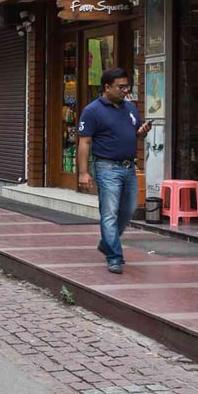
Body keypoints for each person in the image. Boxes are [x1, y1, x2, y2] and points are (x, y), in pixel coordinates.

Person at [77, 67, 152, 275]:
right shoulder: (92, 111)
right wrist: (83, 173)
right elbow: (84, 142)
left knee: (127, 211)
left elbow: (136, 133)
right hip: (106, 167)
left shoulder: (130, 108)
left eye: (127, 86)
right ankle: (114, 257)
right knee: (109, 213)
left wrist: (142, 132)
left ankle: (106, 242)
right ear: (107, 87)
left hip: (129, 167)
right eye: (120, 87)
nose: (125, 90)